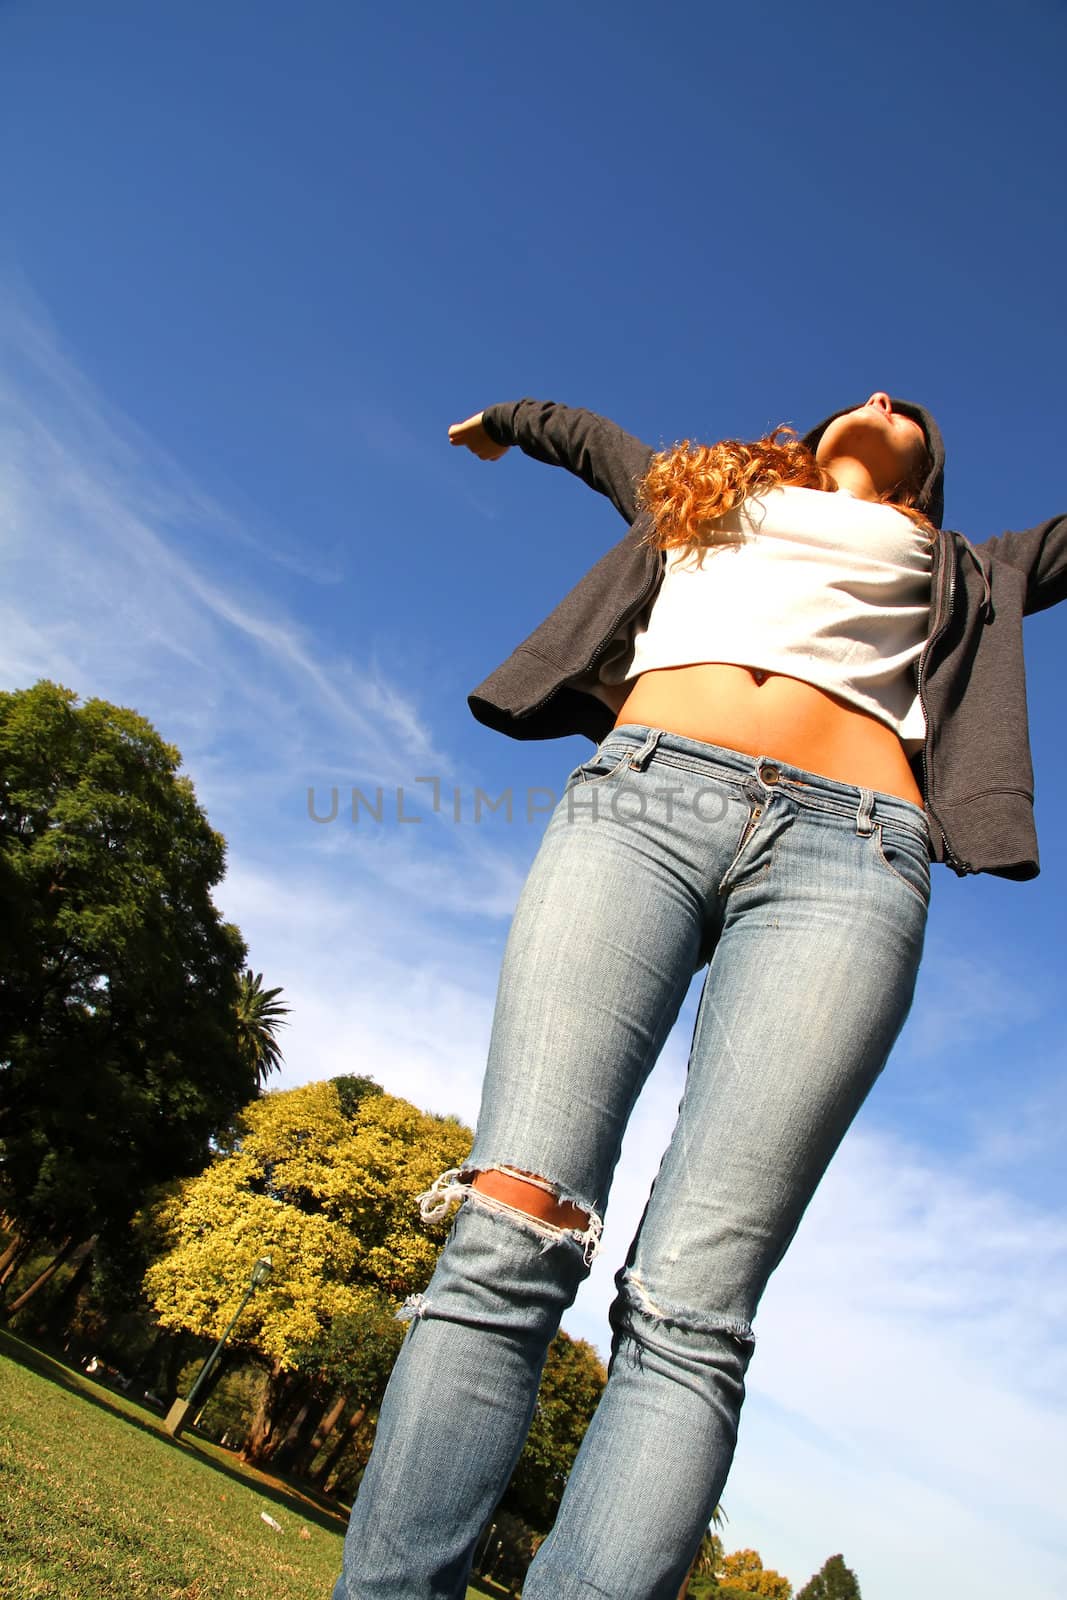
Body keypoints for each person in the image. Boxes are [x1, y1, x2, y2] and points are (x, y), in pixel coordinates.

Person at [332, 393, 1064, 1600]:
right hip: (644, 803)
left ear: (930, 473)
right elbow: (589, 440)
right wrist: (507, 419)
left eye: (912, 412)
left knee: (692, 1315)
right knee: (509, 1230)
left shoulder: (970, 566)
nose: (883, 399)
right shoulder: (706, 492)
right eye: (864, 395)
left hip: (858, 856)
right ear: (809, 432)